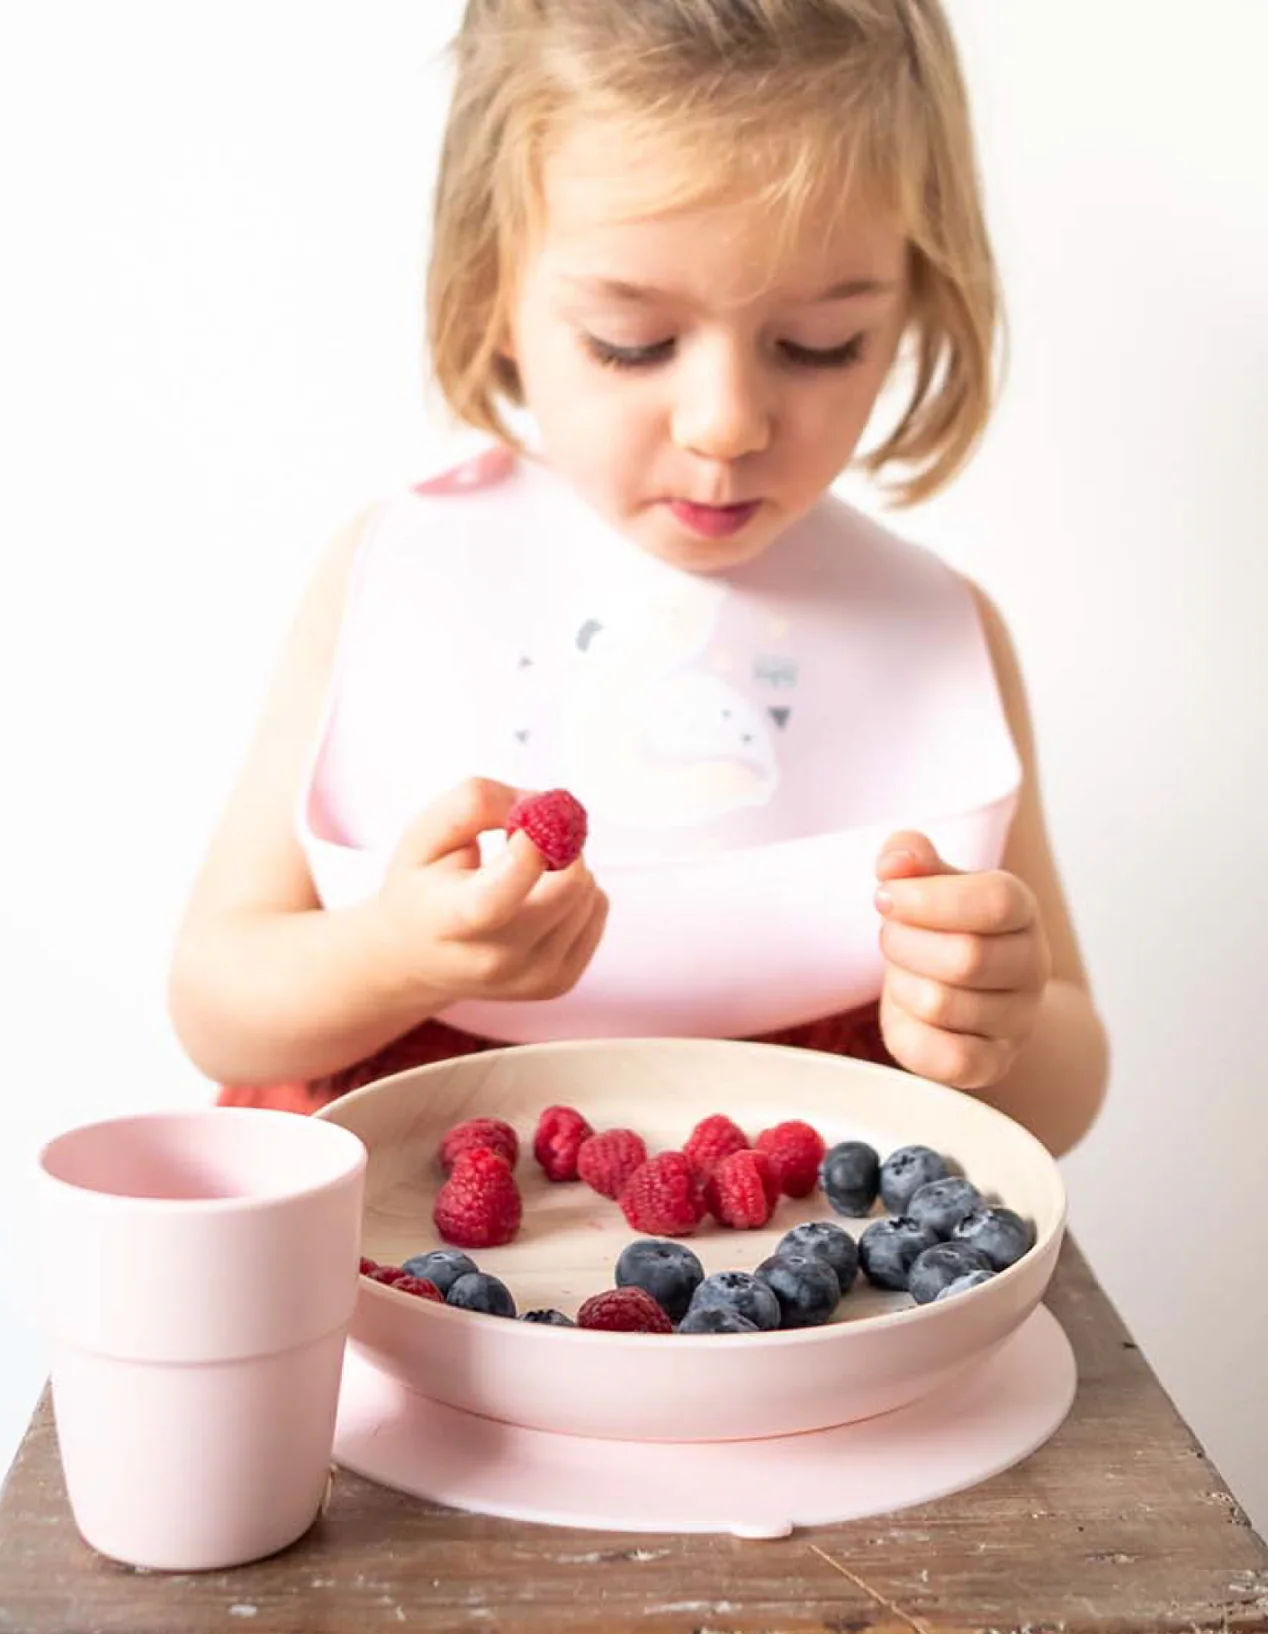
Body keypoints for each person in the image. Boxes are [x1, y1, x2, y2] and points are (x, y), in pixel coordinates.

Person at [167, 0, 1109, 1158]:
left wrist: (992, 1023)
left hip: (788, 1286)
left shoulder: (938, 635)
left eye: (818, 344)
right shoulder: (395, 574)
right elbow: (216, 1003)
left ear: (916, 297)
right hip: (400, 1252)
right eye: (631, 342)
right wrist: (389, 956)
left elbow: (1064, 1076)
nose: (726, 424)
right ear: (489, 286)